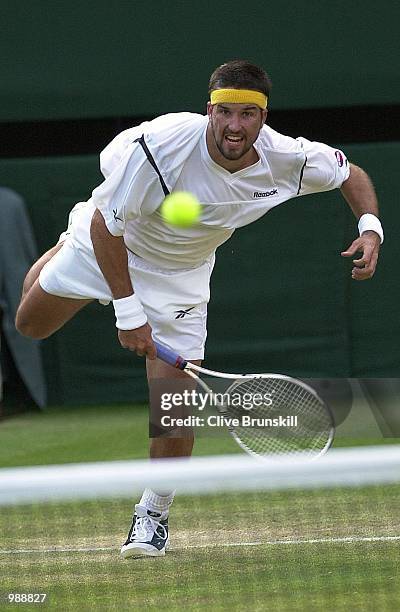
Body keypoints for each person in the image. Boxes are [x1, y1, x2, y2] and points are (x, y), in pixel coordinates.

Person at [15, 60, 383, 558]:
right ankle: (69, 237)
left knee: (175, 408)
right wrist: (128, 312)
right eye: (225, 112)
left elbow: (350, 173)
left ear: (262, 117)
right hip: (108, 243)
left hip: (181, 278)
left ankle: (152, 515)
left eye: (248, 115)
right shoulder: (161, 150)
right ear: (209, 111)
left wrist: (369, 228)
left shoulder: (289, 158)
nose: (236, 126)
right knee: (31, 324)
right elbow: (109, 228)